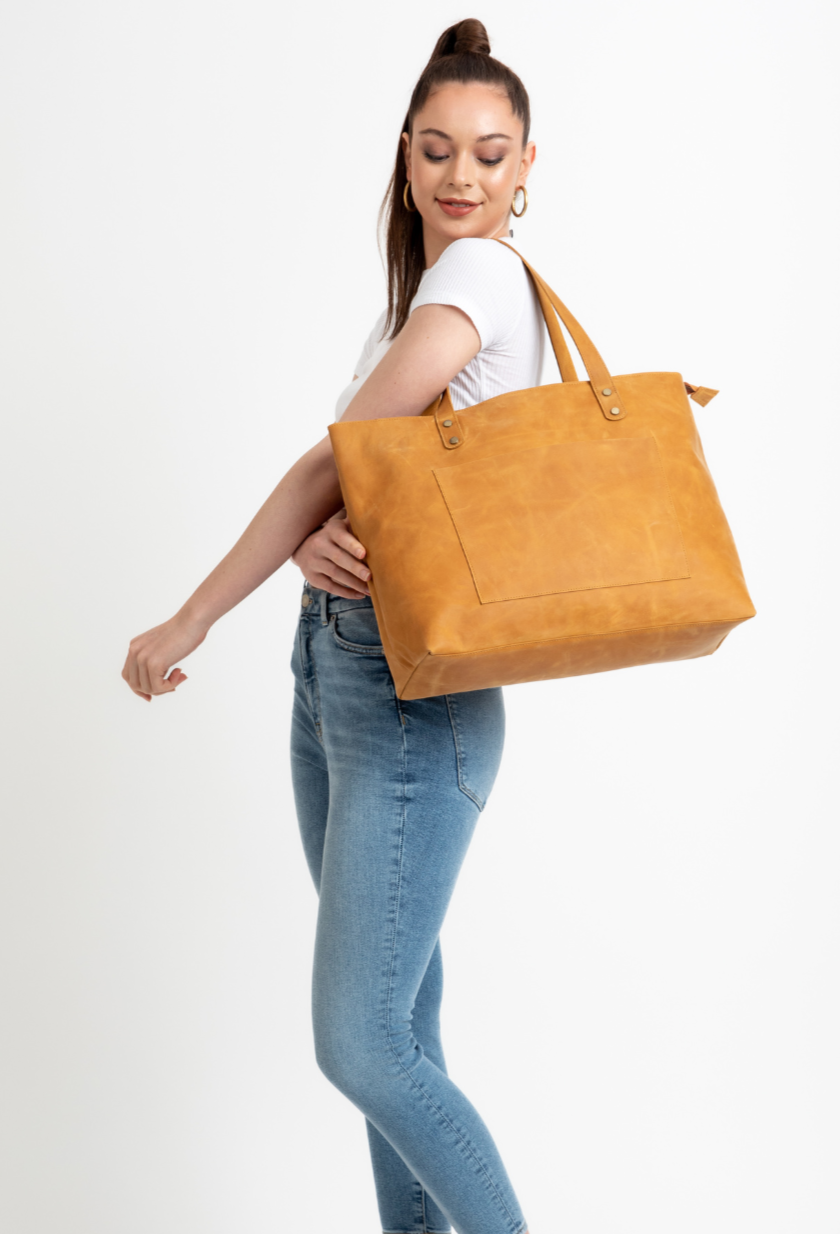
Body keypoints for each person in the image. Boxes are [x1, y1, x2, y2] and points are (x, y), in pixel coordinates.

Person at [123, 18, 542, 1234]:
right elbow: (372, 478)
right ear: (403, 161)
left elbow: (335, 459)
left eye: (489, 154)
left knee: (361, 1045)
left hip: (412, 697)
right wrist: (326, 531)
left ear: (530, 170)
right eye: (437, 151)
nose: (461, 177)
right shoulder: (418, 299)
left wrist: (192, 615)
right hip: (341, 672)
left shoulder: (480, 274)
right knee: (401, 1027)